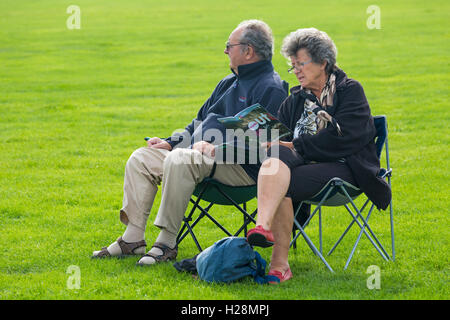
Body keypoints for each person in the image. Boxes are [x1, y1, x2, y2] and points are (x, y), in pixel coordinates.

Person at [92, 20, 288, 266]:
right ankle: (133, 239)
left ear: (248, 51)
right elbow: (198, 123)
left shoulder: (271, 88)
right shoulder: (229, 82)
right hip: (195, 160)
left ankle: (166, 243)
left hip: (241, 171)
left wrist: (217, 149)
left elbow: (261, 146)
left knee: (179, 159)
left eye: (229, 45)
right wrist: (170, 142)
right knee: (141, 158)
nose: (225, 50)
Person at [246, 28, 391, 283]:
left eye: (301, 64)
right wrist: (267, 139)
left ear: (323, 62)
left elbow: (344, 139)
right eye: (293, 66)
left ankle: (279, 263)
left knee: (284, 179)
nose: (296, 71)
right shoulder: (295, 100)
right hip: (303, 167)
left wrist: (297, 146)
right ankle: (262, 228)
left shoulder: (349, 91)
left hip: (346, 167)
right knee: (278, 153)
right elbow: (283, 139)